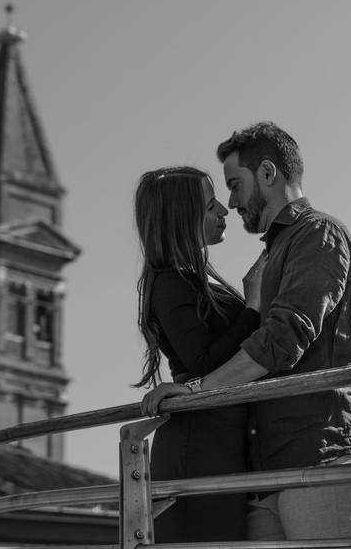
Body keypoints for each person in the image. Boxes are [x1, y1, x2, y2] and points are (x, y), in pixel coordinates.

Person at [143, 122, 351, 540]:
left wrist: (198, 390)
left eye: (235, 185)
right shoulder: (272, 254)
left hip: (317, 452)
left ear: (268, 174)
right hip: (261, 470)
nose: (231, 203)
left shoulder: (317, 233)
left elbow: (283, 338)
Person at [133, 166, 265, 543]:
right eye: (210, 206)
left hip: (222, 441)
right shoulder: (172, 281)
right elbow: (203, 363)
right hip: (199, 448)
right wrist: (253, 304)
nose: (224, 211)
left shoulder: (197, 275)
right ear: (182, 217)